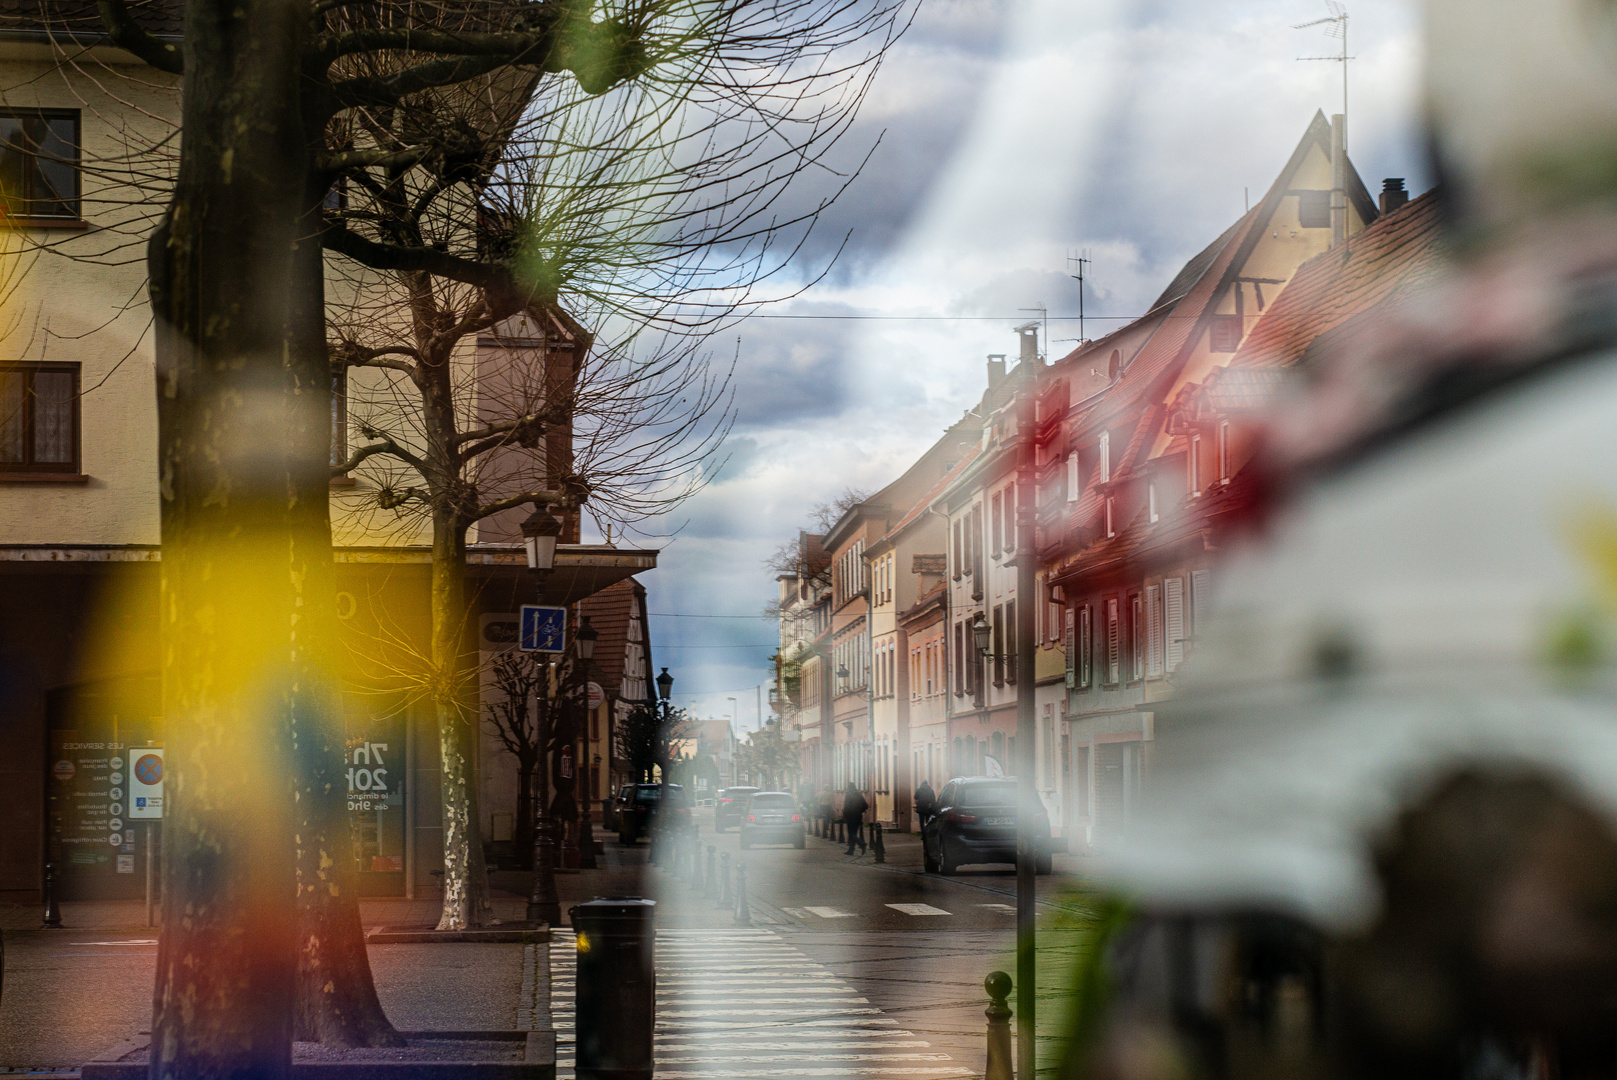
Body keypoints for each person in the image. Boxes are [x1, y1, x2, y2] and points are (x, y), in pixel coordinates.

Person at [842, 782, 868, 855]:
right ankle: (851, 850)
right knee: (854, 833)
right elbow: (865, 805)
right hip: (858, 815)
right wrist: (860, 811)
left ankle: (862, 844)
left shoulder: (848, 795)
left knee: (851, 833)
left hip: (851, 815)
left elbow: (846, 806)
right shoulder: (859, 794)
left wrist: (844, 815)